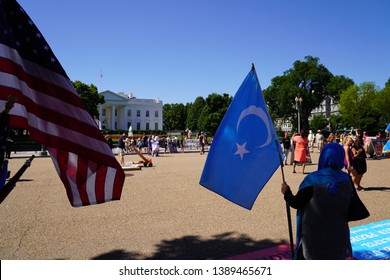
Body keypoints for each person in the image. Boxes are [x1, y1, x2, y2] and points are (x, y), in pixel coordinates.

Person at [281, 142, 353, 259]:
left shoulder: (312, 180)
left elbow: (296, 203)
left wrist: (286, 192)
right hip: (339, 236)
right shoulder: (347, 179)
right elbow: (352, 208)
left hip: (314, 238)